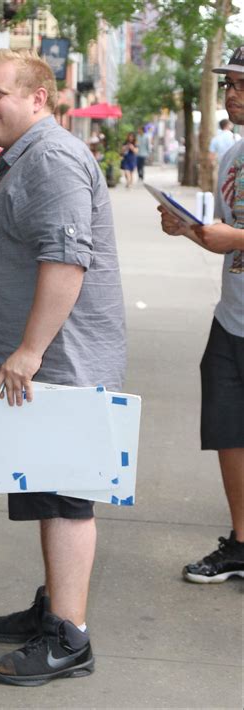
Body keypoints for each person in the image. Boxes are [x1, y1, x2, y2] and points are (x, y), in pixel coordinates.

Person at [0, 49, 126, 685]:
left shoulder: (54, 158)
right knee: (47, 488)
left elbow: (66, 260)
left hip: (61, 363)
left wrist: (30, 350)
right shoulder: (29, 157)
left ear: (40, 99)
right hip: (41, 368)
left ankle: (70, 638)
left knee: (67, 501)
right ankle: (53, 609)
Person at [159, 45, 244, 584]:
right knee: (227, 429)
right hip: (232, 317)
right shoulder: (233, 155)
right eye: (229, 83)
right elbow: (226, 232)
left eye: (240, 84)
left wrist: (227, 236)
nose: (231, 94)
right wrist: (190, 228)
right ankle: (241, 542)